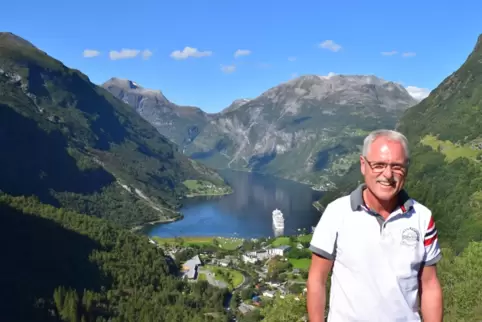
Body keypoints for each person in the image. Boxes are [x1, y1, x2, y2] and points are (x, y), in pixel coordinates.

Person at [307, 129, 443, 322]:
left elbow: (429, 285)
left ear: (407, 168)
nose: (388, 174)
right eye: (379, 165)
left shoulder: (422, 218)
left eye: (397, 166)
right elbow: (316, 279)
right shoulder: (336, 213)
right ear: (363, 165)